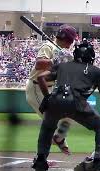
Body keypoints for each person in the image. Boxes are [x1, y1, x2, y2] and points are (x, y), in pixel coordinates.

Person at [32, 40, 100, 171]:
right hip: (77, 101)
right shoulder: (97, 72)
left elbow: (41, 78)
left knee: (47, 128)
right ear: (91, 56)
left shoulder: (62, 66)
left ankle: (40, 162)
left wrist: (47, 98)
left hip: (55, 99)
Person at [25, 24, 77, 155]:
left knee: (69, 115)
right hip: (36, 88)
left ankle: (59, 139)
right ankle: (41, 158)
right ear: (67, 39)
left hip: (50, 88)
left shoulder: (61, 50)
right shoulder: (48, 46)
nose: (71, 44)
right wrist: (56, 60)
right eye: (71, 40)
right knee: (50, 122)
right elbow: (38, 64)